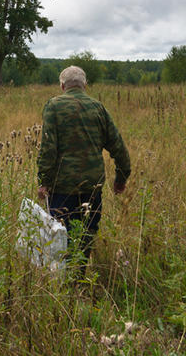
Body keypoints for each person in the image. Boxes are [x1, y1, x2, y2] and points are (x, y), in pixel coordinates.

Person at [37, 65, 131, 272]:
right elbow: (118, 147)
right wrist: (121, 178)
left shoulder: (53, 106)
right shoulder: (98, 108)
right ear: (85, 85)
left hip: (62, 188)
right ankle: (78, 277)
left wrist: (43, 181)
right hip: (92, 185)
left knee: (60, 233)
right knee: (86, 233)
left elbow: (48, 148)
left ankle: (63, 283)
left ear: (62, 86)